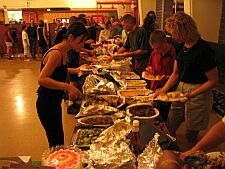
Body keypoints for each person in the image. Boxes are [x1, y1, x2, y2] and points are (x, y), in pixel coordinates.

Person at [154, 12, 219, 145]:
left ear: (184, 31)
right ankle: (169, 150)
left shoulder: (204, 50)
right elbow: (176, 74)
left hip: (198, 92)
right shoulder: (181, 46)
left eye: (174, 33)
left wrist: (192, 94)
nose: (172, 36)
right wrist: (164, 90)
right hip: (181, 88)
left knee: (191, 132)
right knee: (170, 125)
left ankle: (192, 155)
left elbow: (213, 80)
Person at [36, 22, 88, 147]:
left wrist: (77, 70)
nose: (81, 46)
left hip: (54, 101)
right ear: (70, 37)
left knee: (59, 139)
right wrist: (68, 86)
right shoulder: (56, 53)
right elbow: (42, 79)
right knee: (56, 142)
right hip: (47, 103)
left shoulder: (64, 51)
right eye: (80, 42)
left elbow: (59, 70)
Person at [145, 30, 176, 121]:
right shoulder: (154, 52)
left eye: (158, 48)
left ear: (164, 42)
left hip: (167, 91)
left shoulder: (174, 53)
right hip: (154, 89)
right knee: (153, 115)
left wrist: (167, 77)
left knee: (163, 117)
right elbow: (149, 64)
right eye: (154, 48)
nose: (156, 51)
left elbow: (177, 74)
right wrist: (149, 69)